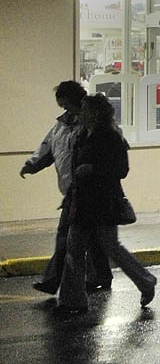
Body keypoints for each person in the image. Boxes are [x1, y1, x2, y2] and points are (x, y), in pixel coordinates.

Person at [57, 94, 157, 317]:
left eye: (84, 109)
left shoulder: (110, 137)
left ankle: (146, 281)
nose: (79, 113)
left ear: (94, 113)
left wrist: (93, 169)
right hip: (82, 201)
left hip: (103, 202)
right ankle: (72, 300)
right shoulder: (82, 135)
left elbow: (121, 170)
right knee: (73, 250)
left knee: (111, 248)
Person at [19, 81, 111, 295]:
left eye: (65, 103)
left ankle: (58, 284)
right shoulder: (61, 126)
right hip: (73, 191)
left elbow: (108, 158)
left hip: (87, 192)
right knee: (92, 240)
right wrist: (32, 164)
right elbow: (49, 149)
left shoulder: (90, 125)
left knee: (67, 238)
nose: (63, 107)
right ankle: (100, 277)